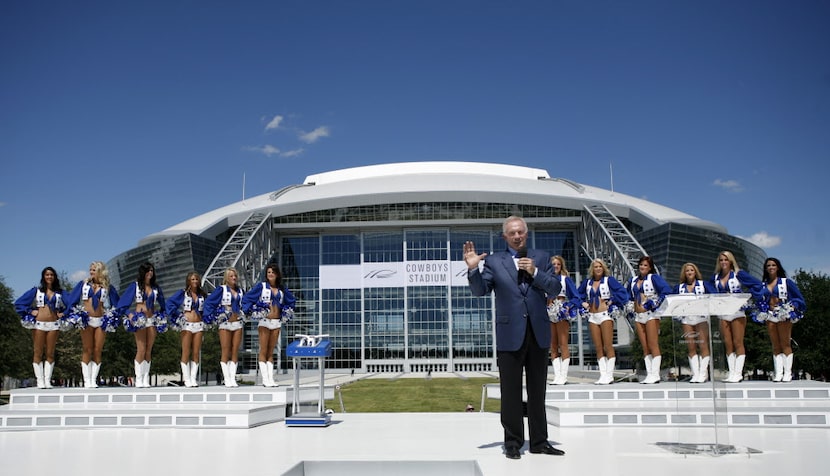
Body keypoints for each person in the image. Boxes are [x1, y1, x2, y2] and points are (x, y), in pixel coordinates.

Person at [464, 216, 564, 459]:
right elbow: (479, 291)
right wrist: (472, 268)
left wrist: (535, 271)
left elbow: (555, 288)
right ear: (505, 237)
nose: (517, 236)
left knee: (537, 390)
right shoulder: (495, 261)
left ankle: (540, 441)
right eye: (512, 233)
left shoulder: (541, 257)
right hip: (510, 333)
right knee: (510, 391)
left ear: (526, 234)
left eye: (521, 232)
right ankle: (513, 443)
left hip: (538, 332)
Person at [64, 261, 120, 388]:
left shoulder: (107, 287)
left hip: (101, 320)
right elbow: (72, 299)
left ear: (100, 271)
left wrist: (115, 315)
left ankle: (93, 379)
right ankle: (86, 380)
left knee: (97, 350)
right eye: (90, 269)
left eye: (94, 269)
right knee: (87, 349)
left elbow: (117, 303)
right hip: (86, 319)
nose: (91, 272)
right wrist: (68, 313)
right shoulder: (83, 284)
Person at [712, 251, 764, 383]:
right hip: (723, 312)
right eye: (721, 260)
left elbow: (757, 284)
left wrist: (746, 298)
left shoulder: (738, 274)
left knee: (738, 342)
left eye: (726, 260)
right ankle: (732, 372)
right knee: (728, 344)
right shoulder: (716, 277)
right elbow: (710, 290)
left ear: (731, 261)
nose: (724, 262)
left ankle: (738, 373)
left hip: (737, 312)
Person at [242, 263, 296, 387]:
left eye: (272, 272)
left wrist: (287, 311)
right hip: (265, 321)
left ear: (277, 274)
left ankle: (271, 378)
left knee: (271, 352)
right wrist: (252, 310)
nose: (270, 274)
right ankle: (265, 379)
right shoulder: (261, 287)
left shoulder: (282, 289)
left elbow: (291, 301)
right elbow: (247, 298)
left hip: (277, 322)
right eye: (268, 272)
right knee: (264, 350)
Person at [577, 259, 628, 385]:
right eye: (595, 267)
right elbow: (577, 295)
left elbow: (622, 292)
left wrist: (612, 300)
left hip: (605, 315)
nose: (598, 269)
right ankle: (603, 374)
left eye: (600, 266)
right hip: (593, 316)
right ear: (592, 269)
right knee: (598, 347)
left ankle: (609, 375)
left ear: (603, 268)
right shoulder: (587, 282)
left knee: (607, 345)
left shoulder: (608, 280)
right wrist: (582, 303)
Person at [14, 267, 67, 389]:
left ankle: (47, 380)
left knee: (50, 353)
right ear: (43, 276)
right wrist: (29, 310)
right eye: (47, 274)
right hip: (39, 324)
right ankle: (40, 380)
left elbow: (71, 303)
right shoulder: (36, 291)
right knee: (38, 352)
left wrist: (63, 312)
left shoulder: (60, 292)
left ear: (55, 277)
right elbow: (19, 302)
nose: (49, 277)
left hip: (53, 325)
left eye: (52, 275)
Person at [117, 262, 166, 388]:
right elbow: (122, 303)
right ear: (142, 272)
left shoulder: (156, 288)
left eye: (152, 270)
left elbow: (163, 304)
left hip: (152, 320)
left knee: (149, 349)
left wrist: (161, 315)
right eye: (148, 270)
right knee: (141, 348)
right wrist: (129, 314)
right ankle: (138, 379)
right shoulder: (135, 286)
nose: (150, 273)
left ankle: (145, 378)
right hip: (140, 319)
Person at [758, 258, 806, 383]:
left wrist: (792, 307)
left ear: (777, 267)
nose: (771, 267)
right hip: (770, 315)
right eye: (768, 265)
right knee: (775, 345)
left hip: (783, 314)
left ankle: (788, 373)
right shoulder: (763, 284)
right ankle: (778, 373)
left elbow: (798, 298)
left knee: (785, 343)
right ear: (765, 268)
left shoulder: (786, 282)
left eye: (773, 265)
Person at [626, 256, 672, 384]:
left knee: (653, 344)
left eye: (646, 265)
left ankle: (655, 374)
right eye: (641, 264)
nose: (642, 267)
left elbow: (666, 290)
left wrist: (655, 303)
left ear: (650, 267)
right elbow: (628, 296)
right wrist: (629, 307)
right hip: (638, 316)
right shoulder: (633, 280)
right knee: (645, 346)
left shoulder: (654, 278)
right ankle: (649, 373)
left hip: (651, 314)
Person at [673, 263, 717, 383]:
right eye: (687, 270)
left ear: (695, 272)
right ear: (684, 273)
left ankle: (703, 373)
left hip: (701, 317)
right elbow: (672, 300)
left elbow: (715, 295)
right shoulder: (679, 287)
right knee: (691, 347)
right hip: (687, 318)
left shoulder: (704, 285)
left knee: (703, 345)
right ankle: (695, 374)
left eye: (692, 270)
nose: (689, 272)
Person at [166, 272, 208, 387]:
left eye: (196, 279)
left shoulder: (202, 295)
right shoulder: (183, 293)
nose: (195, 281)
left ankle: (193, 378)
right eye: (192, 279)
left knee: (196, 352)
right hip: (187, 325)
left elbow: (208, 307)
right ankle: (186, 378)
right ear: (188, 281)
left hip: (199, 325)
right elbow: (169, 303)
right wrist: (178, 315)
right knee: (186, 352)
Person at [204, 268, 244, 388]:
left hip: (237, 323)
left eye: (235, 276)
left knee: (235, 350)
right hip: (225, 323)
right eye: (231, 276)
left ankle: (232, 378)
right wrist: (213, 315)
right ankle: (226, 378)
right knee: (225, 350)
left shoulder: (241, 291)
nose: (234, 278)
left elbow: (246, 303)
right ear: (226, 278)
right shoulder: (221, 289)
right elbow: (209, 302)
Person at [547, 255, 581, 385]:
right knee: (553, 345)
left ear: (561, 266)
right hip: (549, 312)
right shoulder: (546, 279)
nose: (555, 266)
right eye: (553, 264)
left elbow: (576, 297)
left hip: (561, 312)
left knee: (563, 344)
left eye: (558, 264)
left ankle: (564, 375)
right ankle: (557, 375)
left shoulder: (565, 279)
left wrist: (567, 307)